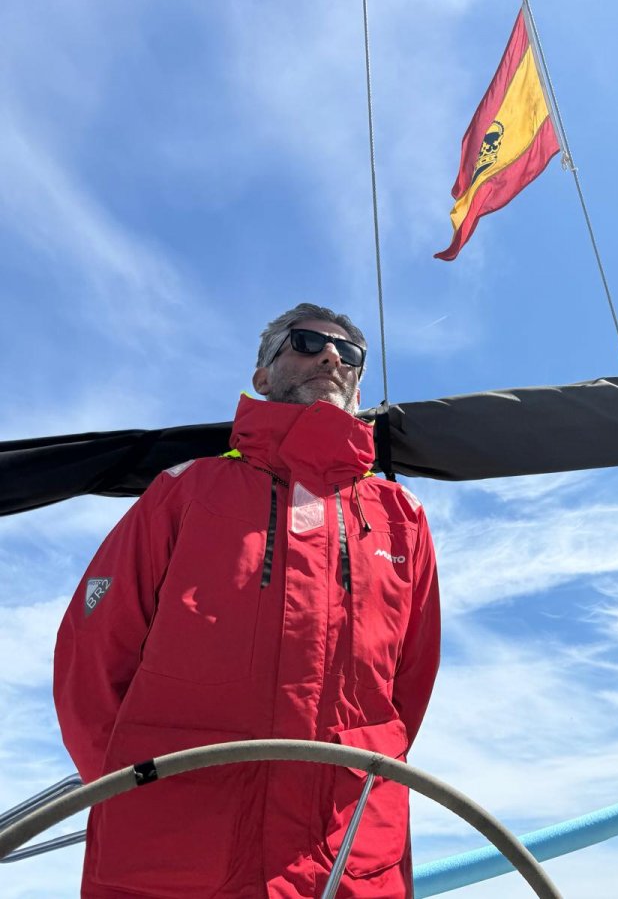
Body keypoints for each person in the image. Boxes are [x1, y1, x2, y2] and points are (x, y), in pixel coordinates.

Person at [54, 303, 441, 898]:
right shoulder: (185, 491)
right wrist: (131, 796)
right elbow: (92, 658)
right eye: (307, 343)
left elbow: (408, 687)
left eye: (349, 354)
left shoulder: (401, 519)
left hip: (348, 855)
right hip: (178, 855)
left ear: (360, 385)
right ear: (262, 375)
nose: (332, 357)